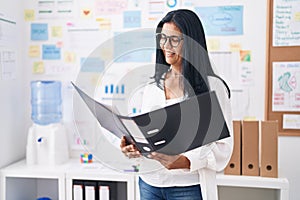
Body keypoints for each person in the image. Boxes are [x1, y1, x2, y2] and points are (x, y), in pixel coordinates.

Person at [120, 9, 233, 200]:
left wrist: (183, 161)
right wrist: (132, 147)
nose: (166, 45)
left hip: (187, 187)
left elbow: (223, 147)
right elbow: (147, 135)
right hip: (149, 183)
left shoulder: (212, 87)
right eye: (163, 38)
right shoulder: (153, 86)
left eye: (174, 39)